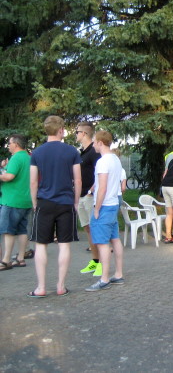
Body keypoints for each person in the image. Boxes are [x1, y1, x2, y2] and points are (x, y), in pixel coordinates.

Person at [29, 116, 82, 297]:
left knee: (41, 245)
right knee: (64, 245)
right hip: (66, 203)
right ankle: (61, 286)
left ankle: (41, 287)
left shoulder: (37, 153)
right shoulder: (72, 151)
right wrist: (76, 201)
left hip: (44, 202)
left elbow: (33, 182)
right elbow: (78, 179)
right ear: (61, 130)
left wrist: (35, 203)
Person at [85, 130, 125, 292]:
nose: (93, 144)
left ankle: (104, 279)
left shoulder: (103, 162)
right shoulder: (115, 159)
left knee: (102, 243)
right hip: (114, 204)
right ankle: (118, 274)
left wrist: (96, 208)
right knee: (115, 239)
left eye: (94, 142)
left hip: (105, 206)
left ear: (100, 142)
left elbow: (101, 188)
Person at [0, 134, 33, 270]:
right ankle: (20, 258)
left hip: (12, 200)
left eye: (10, 143)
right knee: (22, 230)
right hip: (26, 199)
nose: (8, 145)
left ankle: (6, 260)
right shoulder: (28, 157)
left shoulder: (16, 158)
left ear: (16, 144)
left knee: (8, 231)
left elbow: (9, 177)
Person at [76, 122, 103, 277]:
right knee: (88, 229)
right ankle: (95, 260)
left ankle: (102, 263)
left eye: (77, 132)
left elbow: (100, 174)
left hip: (89, 196)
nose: (76, 135)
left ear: (84, 134)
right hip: (81, 196)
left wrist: (91, 191)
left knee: (95, 228)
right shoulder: (83, 152)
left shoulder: (94, 151)